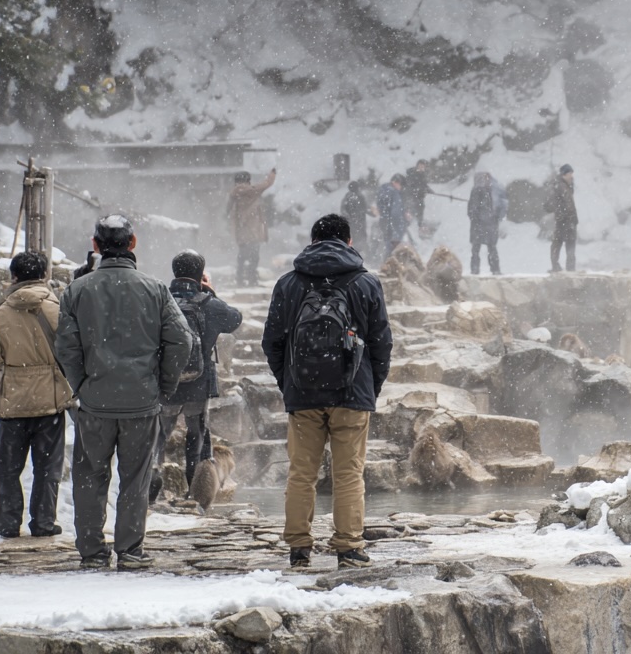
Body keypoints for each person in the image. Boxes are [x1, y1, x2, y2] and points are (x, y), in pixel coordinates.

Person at [56, 215, 194, 570]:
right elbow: (182, 340)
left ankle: (91, 551)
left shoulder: (77, 290)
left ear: (96, 245)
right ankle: (130, 550)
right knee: (136, 477)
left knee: (90, 476)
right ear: (133, 244)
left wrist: (82, 384)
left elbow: (66, 347)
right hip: (141, 401)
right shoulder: (155, 289)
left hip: (95, 401)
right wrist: (163, 384)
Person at [261, 214, 392, 570]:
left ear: (312, 241)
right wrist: (368, 387)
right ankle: (348, 547)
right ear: (349, 242)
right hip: (352, 394)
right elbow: (382, 344)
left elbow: (271, 342)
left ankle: (299, 548)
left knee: (301, 472)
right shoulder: (366, 283)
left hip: (303, 394)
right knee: (349, 472)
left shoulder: (288, 284)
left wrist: (289, 383)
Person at [0, 251, 72, 539]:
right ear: (44, 276)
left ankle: (8, 524)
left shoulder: (0, 314)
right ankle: (44, 522)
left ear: (14, 277)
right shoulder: (57, 310)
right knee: (48, 469)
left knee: (8, 468)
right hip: (51, 400)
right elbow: (69, 353)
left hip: (13, 401)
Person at [156, 250, 244, 492]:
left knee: (159, 435)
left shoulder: (159, 300)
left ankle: (152, 484)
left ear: (174, 272)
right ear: (200, 274)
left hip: (166, 382)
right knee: (197, 437)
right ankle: (197, 493)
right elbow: (235, 319)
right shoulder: (209, 304)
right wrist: (210, 292)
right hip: (198, 384)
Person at [226, 169, 278, 287]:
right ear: (248, 180)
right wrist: (273, 173)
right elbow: (268, 183)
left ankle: (239, 279)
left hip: (241, 230)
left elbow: (228, 211)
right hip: (254, 230)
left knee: (242, 255)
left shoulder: (233, 194)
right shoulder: (254, 190)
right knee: (254, 257)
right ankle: (252, 279)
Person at [467, 171, 509, 275]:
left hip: (487, 224)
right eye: (485, 178)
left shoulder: (489, 190)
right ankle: (480, 269)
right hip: (481, 225)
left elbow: (474, 209)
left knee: (489, 248)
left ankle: (492, 269)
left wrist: (494, 217)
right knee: (480, 248)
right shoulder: (478, 191)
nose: (487, 180)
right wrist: (480, 218)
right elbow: (472, 209)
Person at [546, 164, 579, 272]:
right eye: (569, 174)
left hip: (565, 220)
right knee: (565, 244)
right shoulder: (560, 186)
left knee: (560, 243)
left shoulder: (563, 185)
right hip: (565, 220)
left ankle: (560, 267)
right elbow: (564, 204)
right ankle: (566, 268)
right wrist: (568, 217)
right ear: (564, 174)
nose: (571, 176)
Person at [376, 173, 410, 260]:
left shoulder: (383, 189)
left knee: (387, 245)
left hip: (384, 222)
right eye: (401, 185)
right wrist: (400, 226)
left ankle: (384, 265)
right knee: (393, 250)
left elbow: (381, 207)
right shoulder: (394, 193)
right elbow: (396, 213)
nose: (401, 188)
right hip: (393, 226)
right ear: (396, 182)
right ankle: (390, 267)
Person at [339, 181, 372, 257]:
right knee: (360, 239)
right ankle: (359, 256)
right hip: (360, 223)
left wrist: (348, 219)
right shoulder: (360, 196)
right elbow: (366, 208)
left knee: (352, 240)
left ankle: (351, 255)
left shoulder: (347, 197)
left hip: (351, 224)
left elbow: (343, 210)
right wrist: (372, 213)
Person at [403, 160, 429, 226]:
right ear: (417, 166)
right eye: (420, 166)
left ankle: (419, 223)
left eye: (422, 167)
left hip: (419, 196)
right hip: (411, 195)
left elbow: (424, 185)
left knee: (421, 207)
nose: (421, 168)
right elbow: (409, 186)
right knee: (410, 208)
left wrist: (427, 189)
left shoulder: (423, 175)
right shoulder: (412, 174)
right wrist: (416, 191)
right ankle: (407, 223)